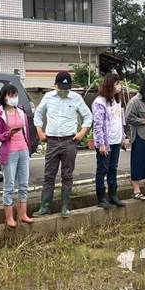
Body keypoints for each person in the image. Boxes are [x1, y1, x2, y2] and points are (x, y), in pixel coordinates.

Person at [34, 71, 92, 218]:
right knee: (49, 175)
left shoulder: (76, 98)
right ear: (55, 86)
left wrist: (82, 133)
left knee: (67, 175)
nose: (64, 91)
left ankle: (65, 207)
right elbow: (38, 114)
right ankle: (45, 206)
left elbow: (88, 116)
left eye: (67, 88)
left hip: (70, 141)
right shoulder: (48, 97)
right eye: (62, 88)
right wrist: (40, 131)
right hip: (52, 141)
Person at [0, 83, 34, 229]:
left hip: (23, 149)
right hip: (9, 151)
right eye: (11, 95)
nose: (14, 98)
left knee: (24, 183)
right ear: (4, 97)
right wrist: (7, 134)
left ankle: (23, 214)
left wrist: (28, 145)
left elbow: (27, 130)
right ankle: (9, 217)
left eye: (15, 95)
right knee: (9, 185)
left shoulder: (21, 110)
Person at [92, 72, 128, 210]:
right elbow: (98, 125)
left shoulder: (117, 101)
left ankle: (113, 196)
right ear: (110, 85)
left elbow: (120, 120)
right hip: (105, 143)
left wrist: (123, 137)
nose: (120, 86)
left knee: (113, 169)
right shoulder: (99, 102)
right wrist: (101, 144)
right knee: (102, 169)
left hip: (116, 140)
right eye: (117, 83)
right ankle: (101, 198)